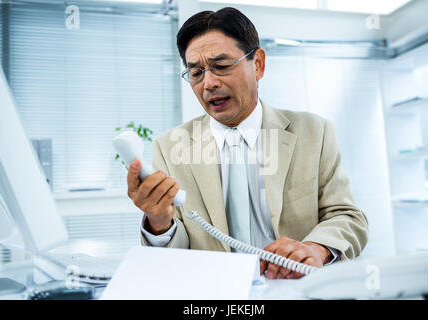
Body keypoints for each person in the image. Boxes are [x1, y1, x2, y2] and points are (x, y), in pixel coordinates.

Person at [126, 7, 368, 280]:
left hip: (297, 288)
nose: (209, 84)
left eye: (221, 66)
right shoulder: (169, 146)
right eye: (196, 73)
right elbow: (179, 253)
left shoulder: (314, 132)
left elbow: (348, 217)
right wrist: (159, 222)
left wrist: (315, 248)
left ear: (258, 64)